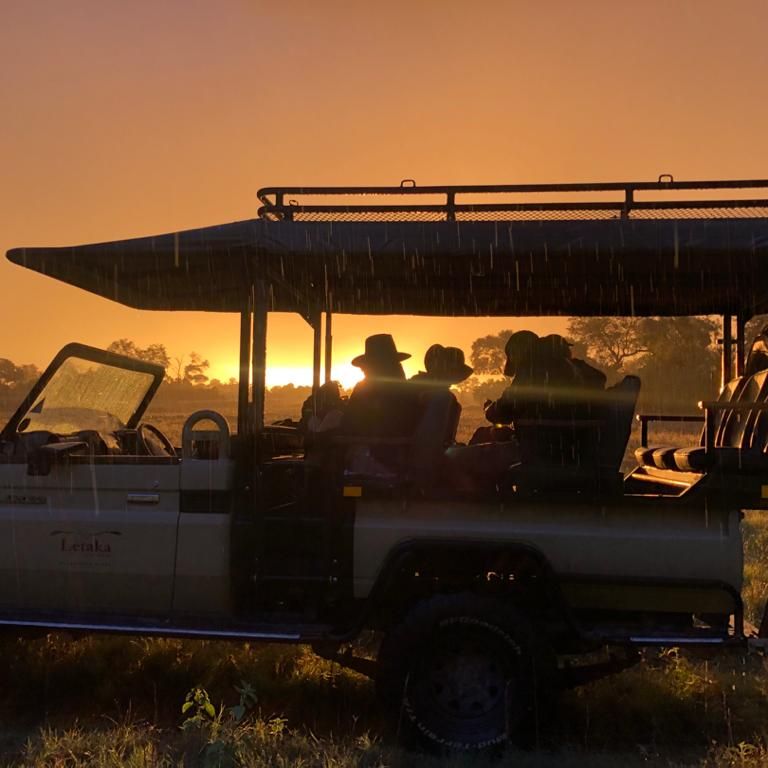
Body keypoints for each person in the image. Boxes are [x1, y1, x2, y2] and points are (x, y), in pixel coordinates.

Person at [341, 334, 421, 474]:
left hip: (377, 457)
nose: (363, 370)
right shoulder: (408, 390)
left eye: (365, 366)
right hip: (399, 456)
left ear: (373, 366)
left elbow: (349, 424)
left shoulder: (365, 389)